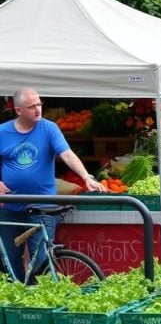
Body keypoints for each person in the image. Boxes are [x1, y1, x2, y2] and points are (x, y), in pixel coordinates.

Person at [0, 88, 106, 281]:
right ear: (18, 110)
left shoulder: (49, 128)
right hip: (10, 207)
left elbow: (67, 154)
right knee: (10, 266)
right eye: (32, 106)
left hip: (42, 207)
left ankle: (40, 305)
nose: (38, 109)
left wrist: (86, 177)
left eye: (39, 104)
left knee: (42, 264)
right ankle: (18, 306)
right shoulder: (3, 132)